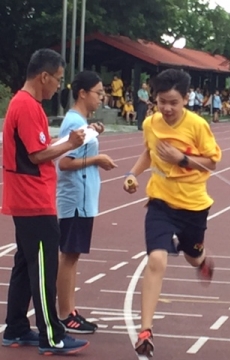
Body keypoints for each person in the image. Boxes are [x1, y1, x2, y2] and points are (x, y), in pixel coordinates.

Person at [122, 68, 222, 358]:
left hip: (193, 206)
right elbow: (148, 152)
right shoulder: (151, 123)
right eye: (161, 101)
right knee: (156, 259)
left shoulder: (198, 125)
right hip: (160, 203)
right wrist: (133, 174)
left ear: (186, 99)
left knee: (192, 256)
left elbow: (212, 163)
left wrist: (183, 159)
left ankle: (201, 261)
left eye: (173, 102)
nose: (166, 108)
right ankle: (146, 331)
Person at [1, 48, 89, 355]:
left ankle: (15, 328)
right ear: (44, 76)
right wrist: (70, 143)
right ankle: (51, 334)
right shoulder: (26, 105)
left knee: (26, 266)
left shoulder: (27, 105)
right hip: (33, 199)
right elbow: (37, 155)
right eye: (58, 80)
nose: (59, 87)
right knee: (43, 267)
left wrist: (64, 142)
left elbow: (36, 147)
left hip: (28, 197)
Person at [56, 70, 117, 334]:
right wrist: (97, 159)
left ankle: (70, 309)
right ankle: (63, 314)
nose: (101, 98)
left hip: (83, 198)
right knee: (69, 255)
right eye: (98, 93)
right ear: (83, 93)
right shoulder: (73, 123)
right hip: (75, 199)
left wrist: (92, 132)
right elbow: (64, 162)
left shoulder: (81, 122)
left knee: (73, 254)